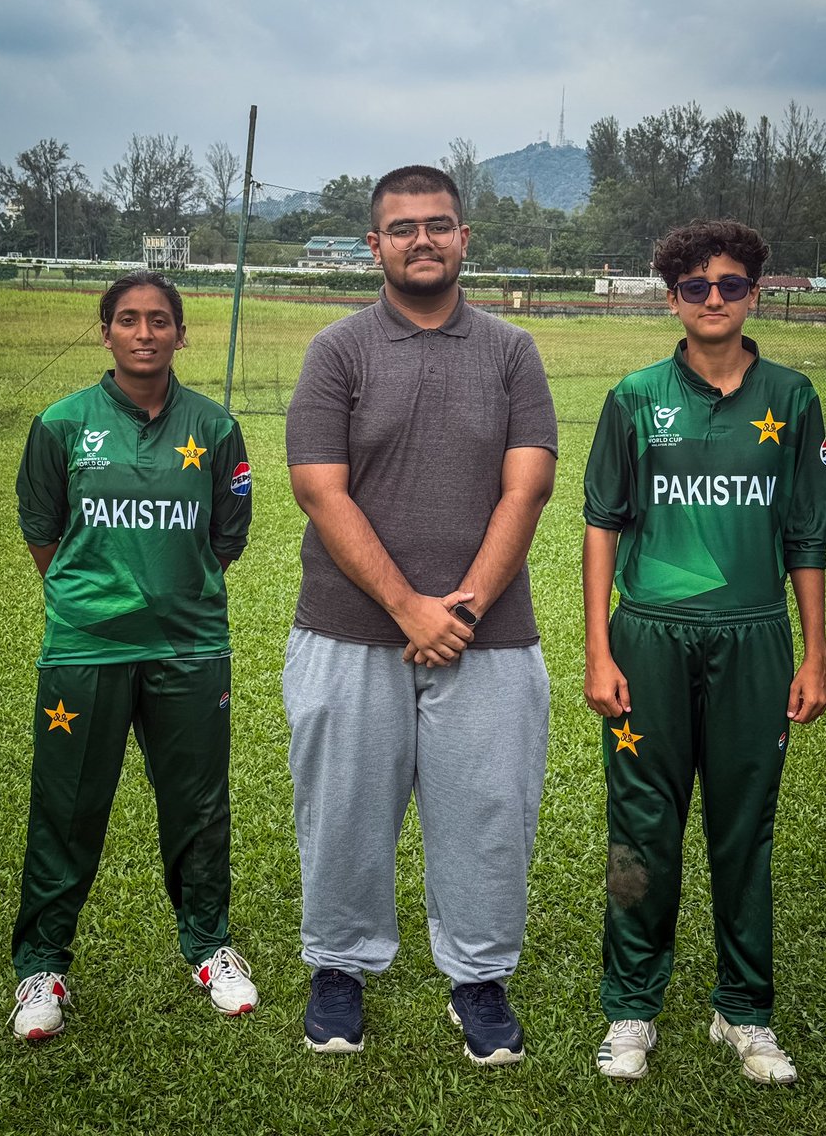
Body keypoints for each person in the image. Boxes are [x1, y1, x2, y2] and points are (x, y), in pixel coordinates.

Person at [283, 166, 557, 1064]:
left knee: (488, 809)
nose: (422, 241)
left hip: (487, 633)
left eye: (439, 225)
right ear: (375, 246)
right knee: (345, 809)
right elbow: (319, 490)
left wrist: (463, 607)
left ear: (465, 237)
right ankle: (339, 968)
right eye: (402, 229)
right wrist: (408, 608)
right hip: (348, 628)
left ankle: (477, 978)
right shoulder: (339, 350)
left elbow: (529, 484)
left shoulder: (512, 351)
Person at [582, 220, 826, 1084]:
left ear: (756, 292)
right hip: (646, 637)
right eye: (696, 287)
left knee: (744, 830)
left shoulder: (792, 398)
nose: (714, 299)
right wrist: (597, 649)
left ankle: (744, 1011)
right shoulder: (633, 395)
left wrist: (814, 654)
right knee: (641, 830)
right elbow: (602, 524)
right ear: (672, 298)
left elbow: (806, 535)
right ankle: (631, 1009)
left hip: (755, 639)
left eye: (730, 284)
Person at [9, 270, 258, 1040]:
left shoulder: (214, 428)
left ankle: (211, 947)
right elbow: (42, 530)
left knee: (198, 805)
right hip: (85, 649)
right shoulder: (61, 423)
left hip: (190, 648)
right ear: (106, 330)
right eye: (127, 320)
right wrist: (93, 601)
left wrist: (172, 592)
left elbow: (229, 534)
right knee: (67, 806)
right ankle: (42, 968)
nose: (144, 333)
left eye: (159, 320)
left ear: (182, 334)